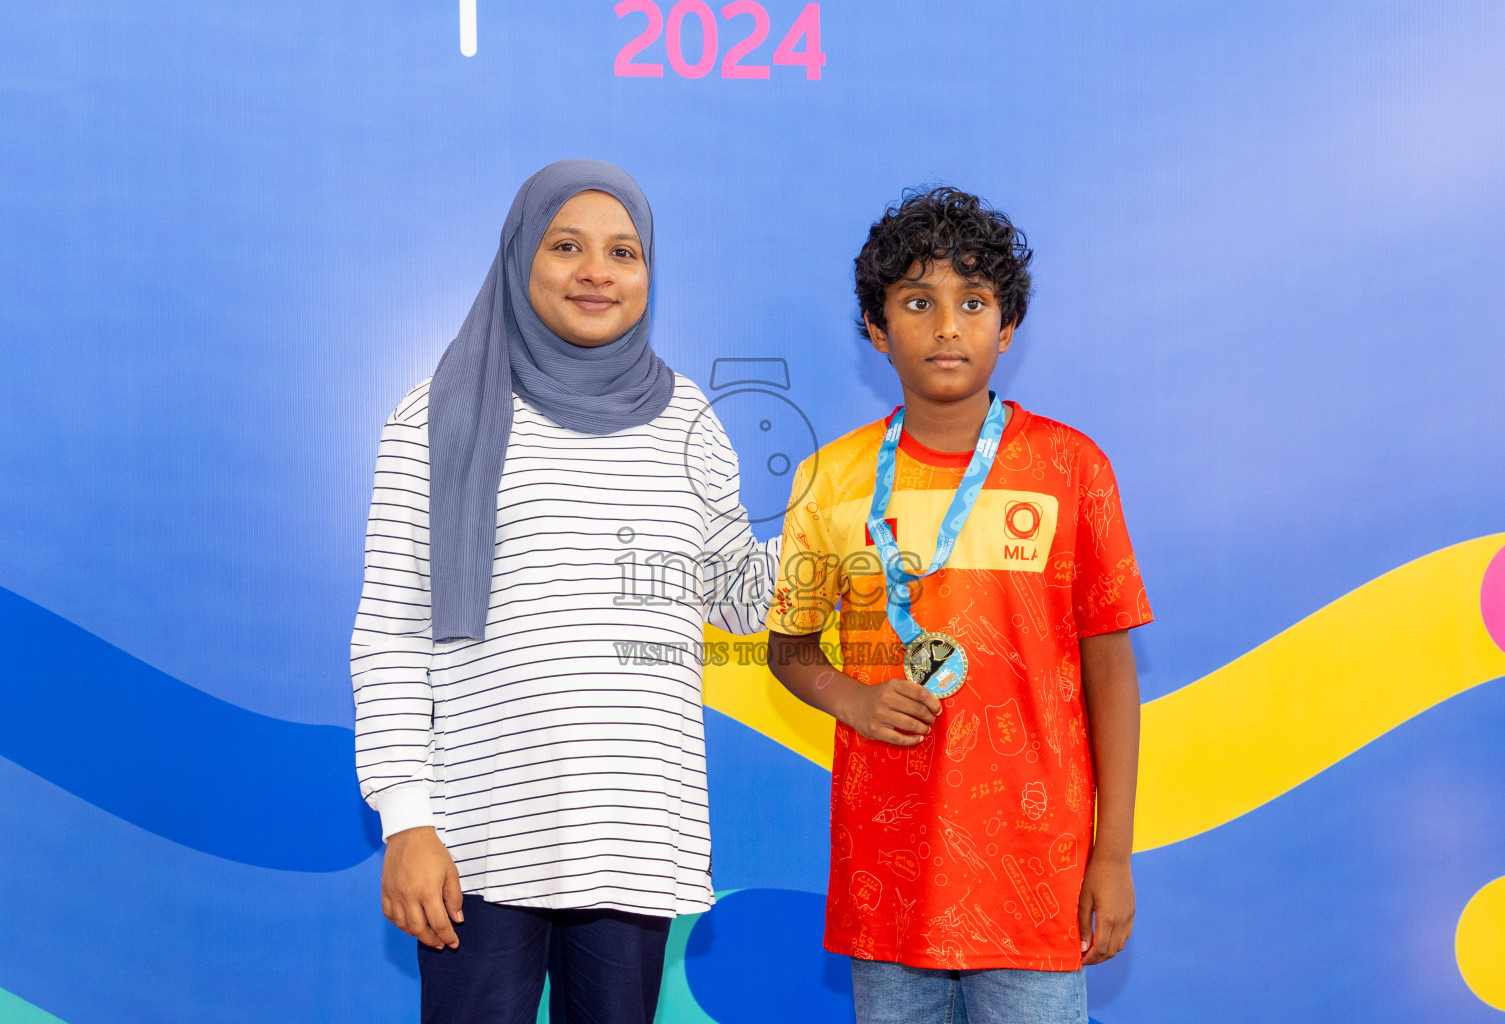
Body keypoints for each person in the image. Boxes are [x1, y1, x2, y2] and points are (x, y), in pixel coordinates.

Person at [351, 159, 778, 1024]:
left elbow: (740, 598)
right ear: (519, 259)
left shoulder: (688, 417)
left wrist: (843, 527)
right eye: (567, 246)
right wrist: (405, 819)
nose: (597, 271)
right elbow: (392, 634)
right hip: (474, 841)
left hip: (631, 839)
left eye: (623, 251)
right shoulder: (436, 415)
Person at [766, 187, 1151, 1024]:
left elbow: (1111, 674)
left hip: (1034, 877)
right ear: (876, 329)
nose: (947, 326)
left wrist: (1112, 853)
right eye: (917, 302)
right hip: (890, 877)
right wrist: (855, 700)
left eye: (972, 303)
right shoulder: (832, 479)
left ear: (1006, 330)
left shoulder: (1070, 468)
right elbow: (789, 648)